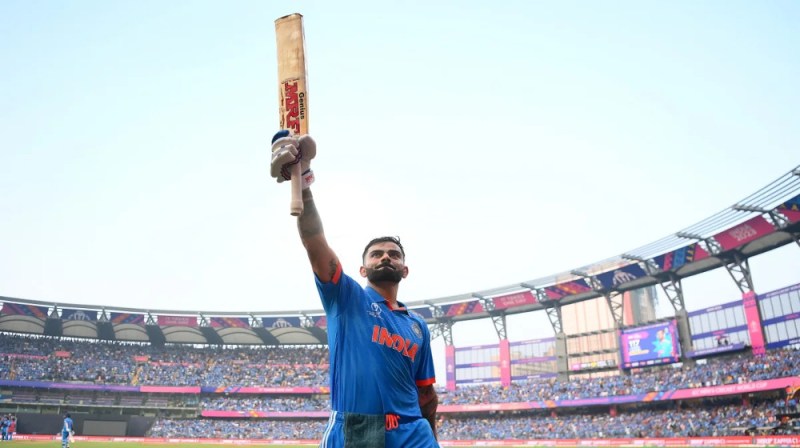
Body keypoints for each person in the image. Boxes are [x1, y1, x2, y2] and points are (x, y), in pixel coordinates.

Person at [270, 130, 439, 448]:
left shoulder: (417, 325)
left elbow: (426, 393)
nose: (386, 257)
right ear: (363, 270)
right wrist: (303, 181)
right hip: (357, 431)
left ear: (404, 270)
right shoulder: (347, 298)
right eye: (376, 254)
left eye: (394, 254)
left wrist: (431, 434)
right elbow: (314, 240)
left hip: (414, 432)